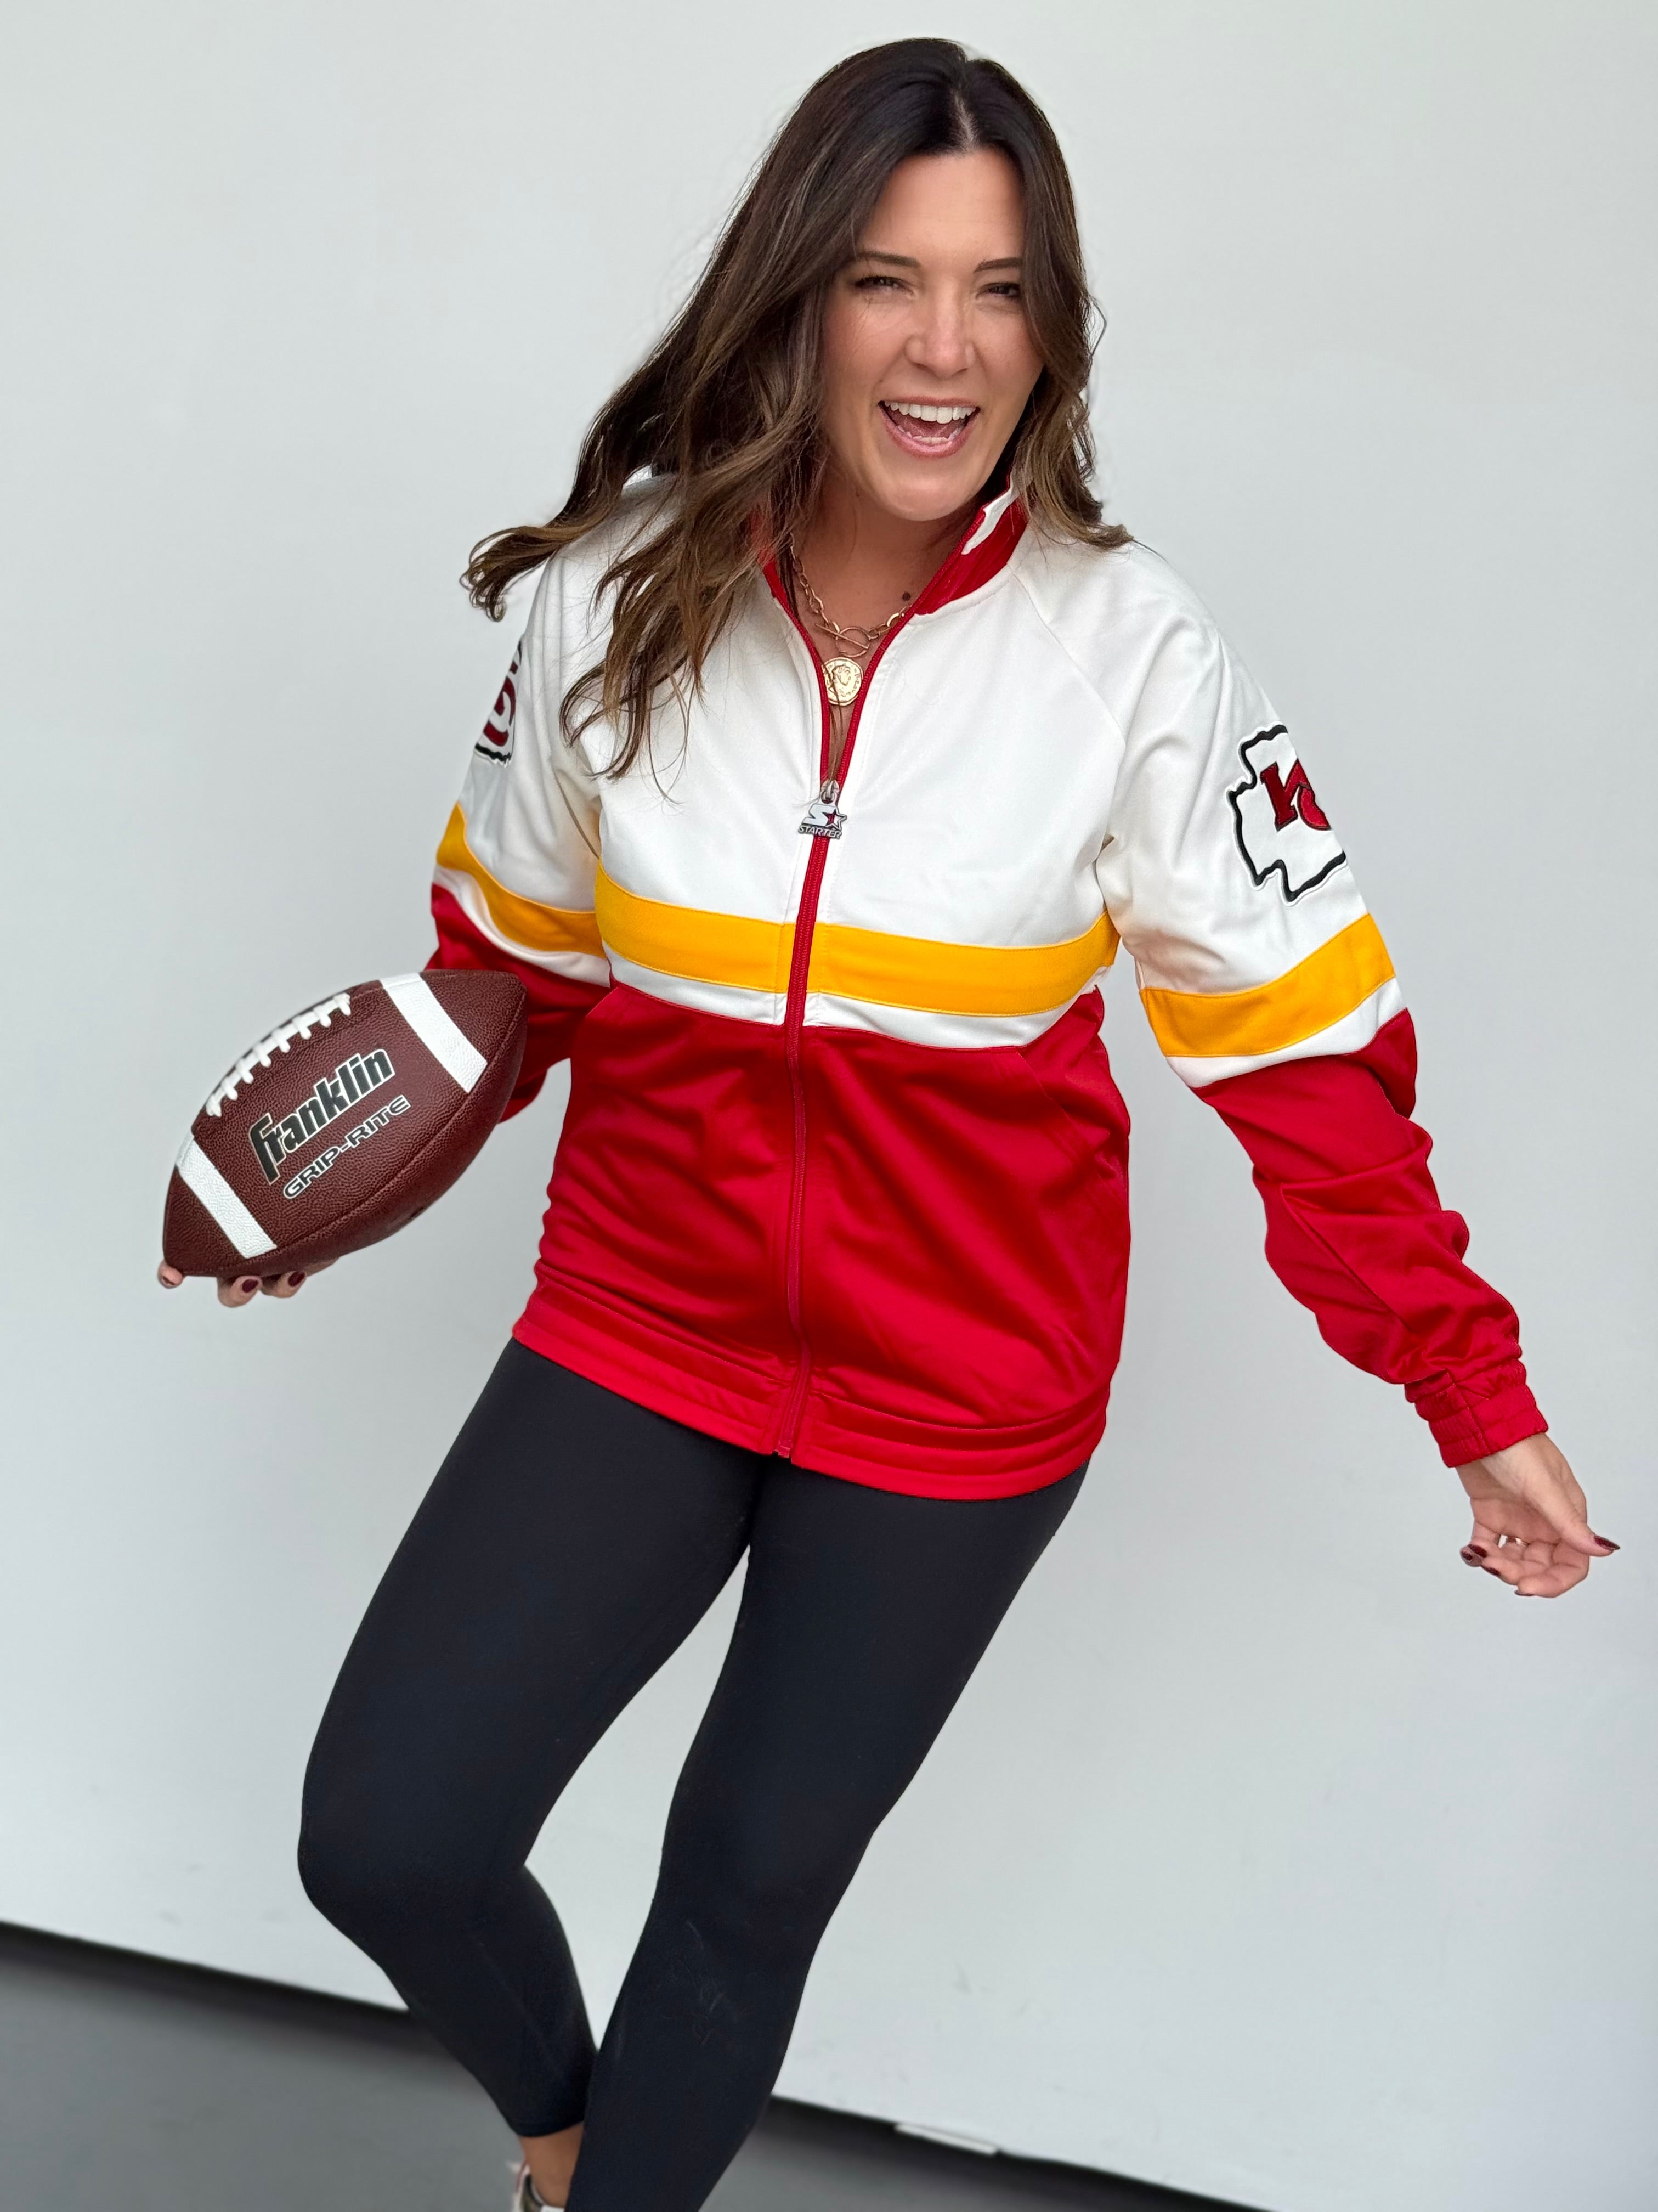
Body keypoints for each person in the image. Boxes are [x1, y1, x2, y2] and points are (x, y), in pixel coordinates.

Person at [157, 38, 1615, 2212]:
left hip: (961, 1391)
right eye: (887, 282)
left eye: (1001, 290)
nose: (948, 348)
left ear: (1053, 326)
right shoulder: (610, 602)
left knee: (743, 1888)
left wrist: (1470, 1395)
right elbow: (511, 979)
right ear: (796, 301)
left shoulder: (1136, 653)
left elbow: (1307, 1075)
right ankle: (571, 2148)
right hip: (644, 1320)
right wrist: (334, 1190)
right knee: (392, 1830)